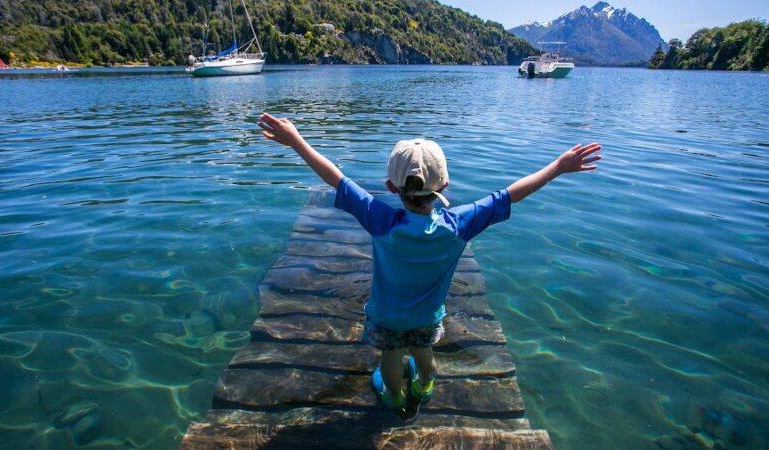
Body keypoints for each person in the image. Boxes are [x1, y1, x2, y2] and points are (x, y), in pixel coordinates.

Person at [257, 112, 602, 421]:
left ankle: (395, 399)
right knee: (424, 354)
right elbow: (510, 194)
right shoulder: (460, 224)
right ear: (445, 185)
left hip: (387, 316)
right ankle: (423, 387)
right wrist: (558, 167)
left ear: (392, 187)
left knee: (390, 361)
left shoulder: (382, 220)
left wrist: (297, 141)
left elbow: (337, 179)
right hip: (427, 316)